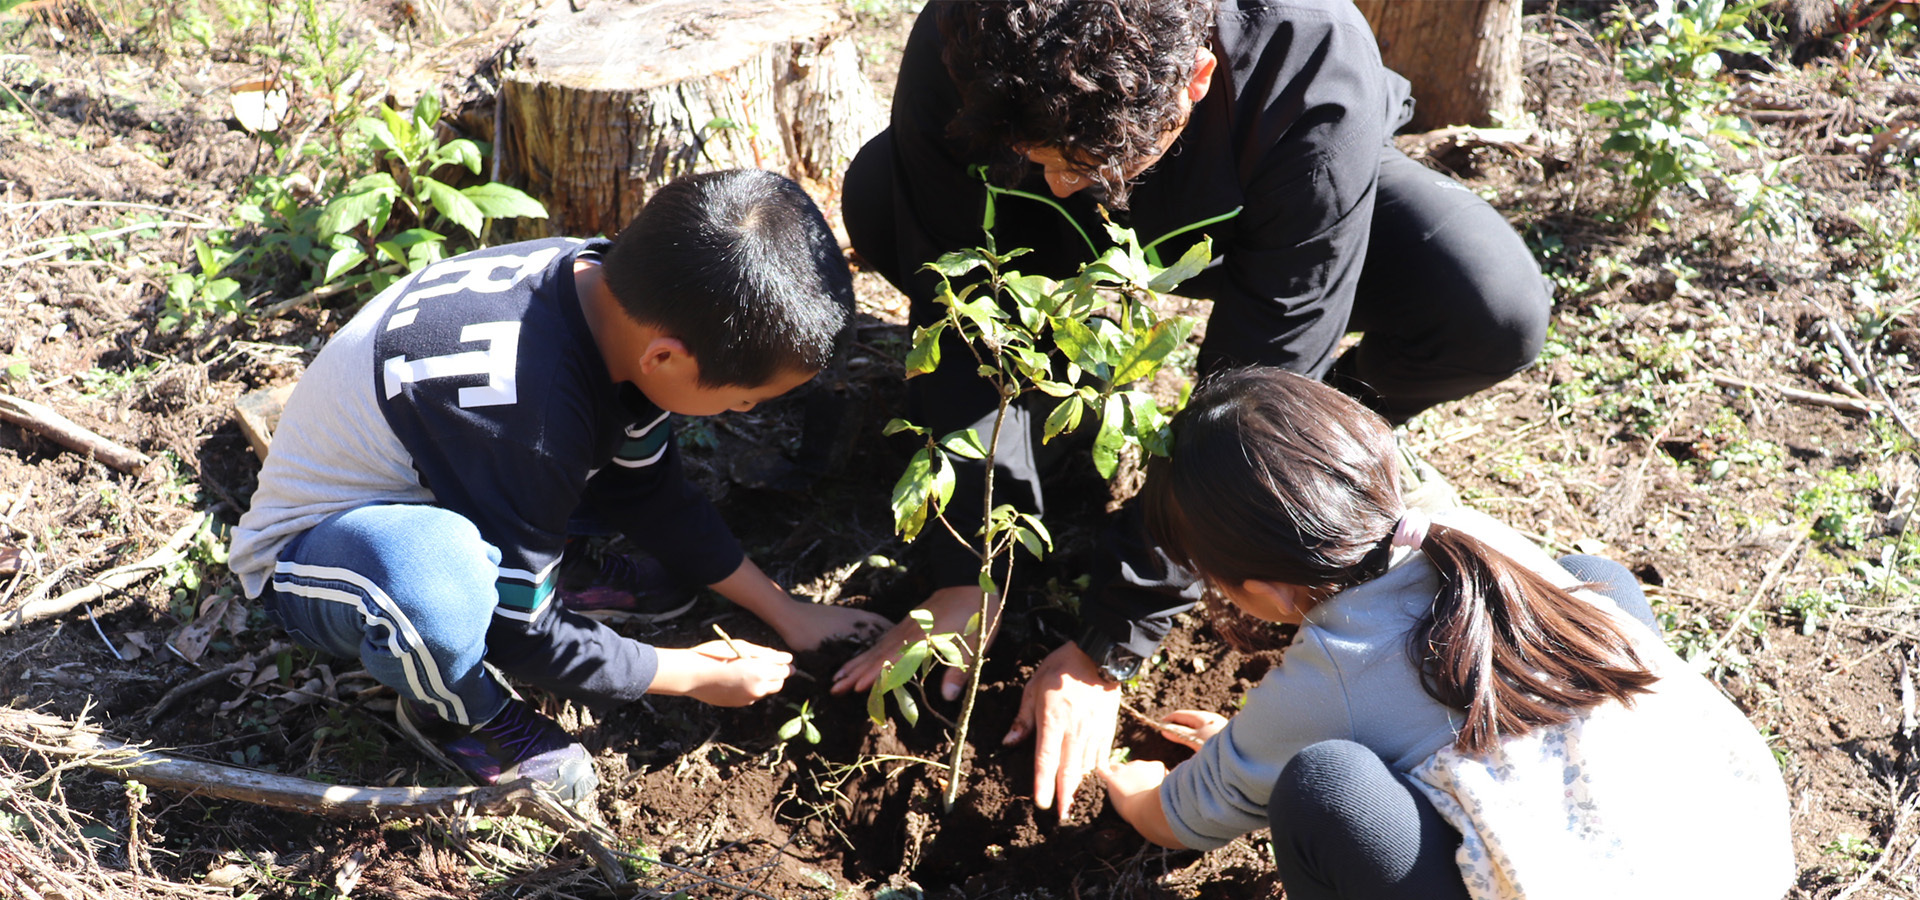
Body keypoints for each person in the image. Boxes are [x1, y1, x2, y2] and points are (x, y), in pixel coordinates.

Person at [832, 0, 1554, 820]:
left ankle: (1322, 459)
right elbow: (956, 301)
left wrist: (1112, 642)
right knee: (877, 194)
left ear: (1198, 77)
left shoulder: (1309, 55)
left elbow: (1266, 365)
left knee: (1489, 310)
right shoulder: (975, 34)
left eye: (1085, 162)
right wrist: (973, 572)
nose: (1066, 181)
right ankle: (1050, 412)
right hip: (1062, 233)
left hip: (1257, 193)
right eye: (1042, 158)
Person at [229, 168, 890, 803]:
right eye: (744, 401)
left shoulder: (622, 297)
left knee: (601, 464)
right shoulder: (531, 417)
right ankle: (460, 711)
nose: (744, 413)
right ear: (666, 358)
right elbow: (524, 631)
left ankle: (549, 565)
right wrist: (691, 675)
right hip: (321, 553)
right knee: (439, 591)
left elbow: (649, 492)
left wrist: (788, 611)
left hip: (457, 469)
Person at [1094, 367, 1793, 898]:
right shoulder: (1470, 541)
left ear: (1262, 591)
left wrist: (1137, 791)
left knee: (1323, 786)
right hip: (1730, 849)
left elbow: (1188, 816)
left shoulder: (1330, 667)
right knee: (1590, 577)